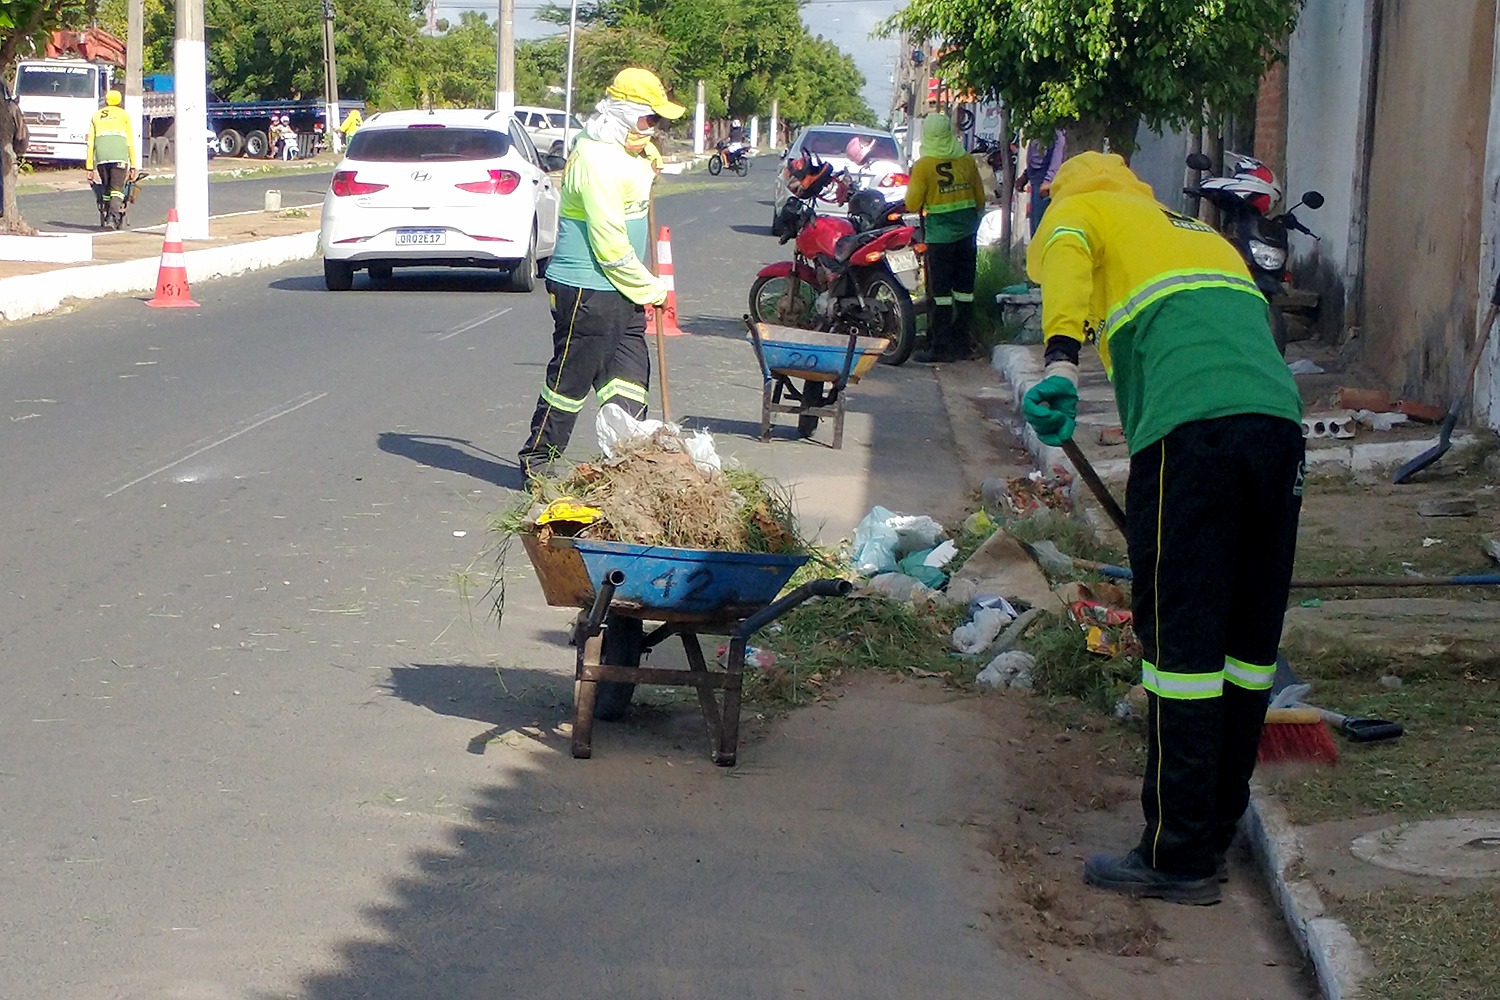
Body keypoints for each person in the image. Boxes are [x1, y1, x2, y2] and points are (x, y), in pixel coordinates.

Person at [1022, 152, 1305, 905]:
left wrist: (1057, 367)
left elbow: (1069, 265)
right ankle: (1213, 826)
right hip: (1277, 429)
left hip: (1192, 433)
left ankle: (1175, 857)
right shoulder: (1198, 234)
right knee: (1246, 646)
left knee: (1182, 643)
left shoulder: (1079, 213)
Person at [517, 67, 684, 478]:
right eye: (650, 120)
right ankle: (538, 461)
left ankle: (629, 465)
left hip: (621, 292)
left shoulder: (625, 151)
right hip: (586, 291)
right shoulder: (596, 160)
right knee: (571, 381)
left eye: (658, 122)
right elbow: (609, 247)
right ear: (624, 113)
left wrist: (646, 163)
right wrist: (653, 288)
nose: (655, 129)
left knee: (627, 379)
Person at [904, 113, 986, 363]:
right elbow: (980, 199)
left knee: (940, 293)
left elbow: (911, 203)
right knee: (964, 290)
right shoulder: (966, 160)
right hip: (967, 234)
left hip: (940, 237)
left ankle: (940, 346)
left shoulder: (924, 165)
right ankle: (962, 343)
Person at [84, 90, 138, 222]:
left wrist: (89, 167)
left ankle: (107, 212)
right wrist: (133, 165)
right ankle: (114, 213)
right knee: (117, 188)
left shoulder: (96, 116)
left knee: (106, 186)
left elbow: (91, 143)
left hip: (102, 157)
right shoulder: (124, 115)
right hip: (119, 156)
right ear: (119, 101)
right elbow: (130, 142)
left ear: (106, 100)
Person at [1015, 128, 1065, 235]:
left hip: (1045, 182)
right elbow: (1035, 155)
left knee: (1041, 228)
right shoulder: (1037, 126)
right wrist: (1026, 175)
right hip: (1036, 180)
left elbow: (1058, 152)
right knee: (1035, 226)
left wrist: (1048, 180)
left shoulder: (1055, 128)